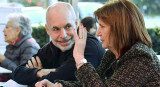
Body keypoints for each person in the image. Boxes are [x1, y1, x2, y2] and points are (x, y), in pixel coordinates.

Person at [35, 0, 160, 87]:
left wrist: (80, 58)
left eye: (102, 26)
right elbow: (91, 83)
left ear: (119, 29)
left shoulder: (141, 57)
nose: (98, 32)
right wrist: (58, 85)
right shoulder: (112, 54)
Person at [12, 2, 105, 86]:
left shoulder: (89, 46)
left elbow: (62, 78)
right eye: (56, 29)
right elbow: (17, 73)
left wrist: (32, 78)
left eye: (68, 26)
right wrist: (39, 72)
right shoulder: (53, 46)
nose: (63, 35)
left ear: (76, 23)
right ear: (48, 30)